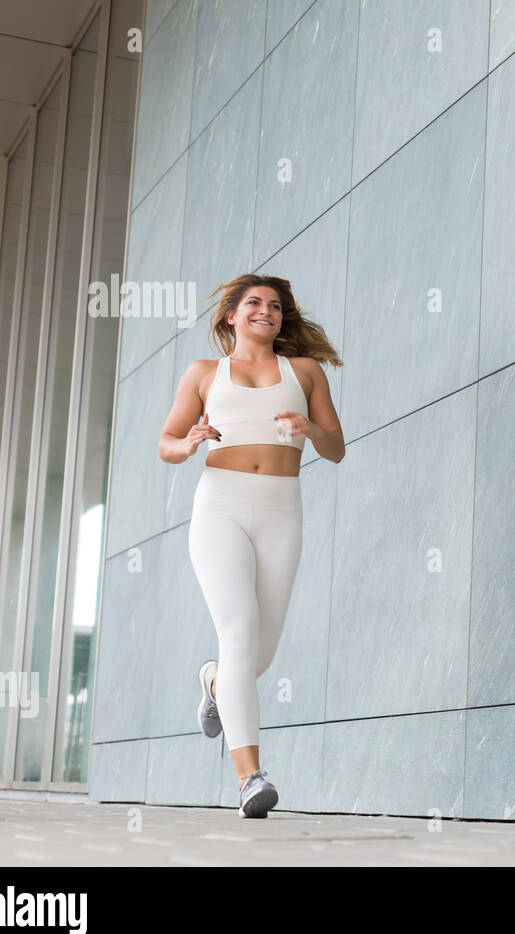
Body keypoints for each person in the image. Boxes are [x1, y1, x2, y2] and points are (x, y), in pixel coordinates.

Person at [157, 274, 344, 817]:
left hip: (282, 511)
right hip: (220, 508)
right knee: (238, 636)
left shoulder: (303, 372)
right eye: (255, 304)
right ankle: (250, 777)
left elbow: (337, 449)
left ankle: (213, 681)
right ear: (231, 316)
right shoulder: (203, 374)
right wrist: (188, 442)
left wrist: (309, 428)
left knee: (257, 655)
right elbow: (165, 442)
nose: (268, 311)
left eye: (276, 306)